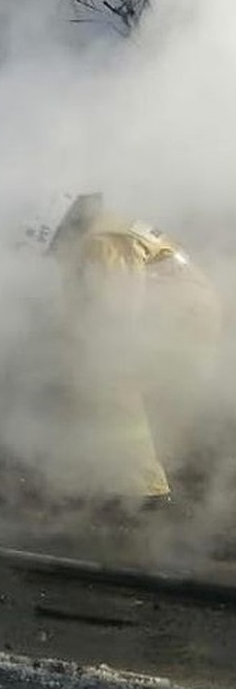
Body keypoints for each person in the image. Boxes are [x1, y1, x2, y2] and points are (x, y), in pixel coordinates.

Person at [23, 192, 222, 511]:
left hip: (180, 327)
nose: (57, 258)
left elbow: (113, 315)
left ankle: (142, 491)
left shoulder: (103, 242)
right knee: (131, 392)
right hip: (185, 322)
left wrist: (78, 355)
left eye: (54, 251)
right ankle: (146, 467)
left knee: (109, 383)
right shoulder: (106, 231)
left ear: (62, 233)